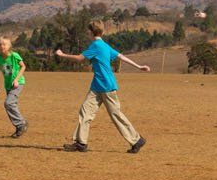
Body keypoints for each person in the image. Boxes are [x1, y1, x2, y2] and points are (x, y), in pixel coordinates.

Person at [55, 22, 149, 153]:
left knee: (116, 115)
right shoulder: (105, 45)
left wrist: (62, 54)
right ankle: (80, 143)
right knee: (85, 111)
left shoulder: (96, 46)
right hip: (96, 87)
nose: (87, 33)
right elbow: (121, 56)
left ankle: (136, 140)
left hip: (107, 86)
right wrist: (138, 66)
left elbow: (79, 58)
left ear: (91, 32)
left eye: (88, 31)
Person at [0, 36, 27, 138]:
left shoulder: (14, 55)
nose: (2, 46)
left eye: (4, 44)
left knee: (8, 103)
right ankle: (20, 126)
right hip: (8, 85)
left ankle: (21, 124)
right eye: (0, 44)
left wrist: (17, 80)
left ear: (9, 46)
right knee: (10, 105)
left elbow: (23, 66)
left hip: (18, 83)